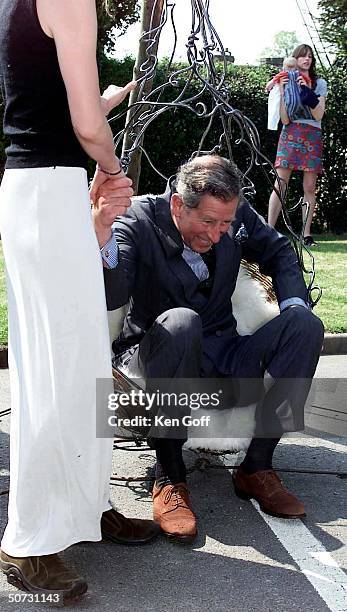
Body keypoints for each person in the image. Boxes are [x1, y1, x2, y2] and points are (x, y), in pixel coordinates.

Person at [0, 0, 159, 603]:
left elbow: (48, 108)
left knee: (80, 368)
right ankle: (28, 541)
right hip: (48, 193)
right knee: (53, 375)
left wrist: (103, 108)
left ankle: (84, 511)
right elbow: (86, 126)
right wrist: (113, 169)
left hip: (41, 192)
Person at [93, 154, 324, 544]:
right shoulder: (137, 221)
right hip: (158, 352)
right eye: (208, 222)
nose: (219, 234)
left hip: (226, 350)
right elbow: (113, 293)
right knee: (182, 320)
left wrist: (293, 303)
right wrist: (101, 234)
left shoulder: (235, 216)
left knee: (304, 325)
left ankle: (256, 467)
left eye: (226, 224)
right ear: (179, 205)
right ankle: (169, 477)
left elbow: (281, 252)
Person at [267, 44, 328, 247]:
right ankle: (268, 230)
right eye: (303, 56)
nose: (307, 59)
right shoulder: (285, 80)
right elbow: (284, 119)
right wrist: (283, 89)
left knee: (309, 186)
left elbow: (318, 114)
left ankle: (306, 234)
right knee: (280, 184)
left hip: (312, 134)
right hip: (290, 132)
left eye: (310, 56)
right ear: (294, 59)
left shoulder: (319, 83)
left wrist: (305, 89)